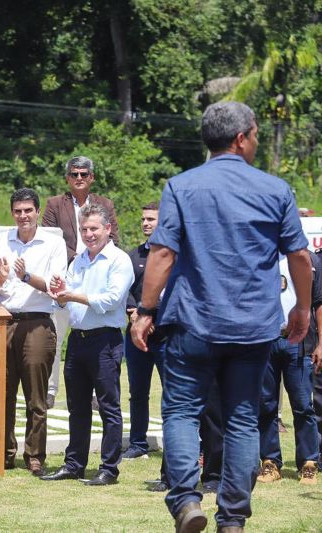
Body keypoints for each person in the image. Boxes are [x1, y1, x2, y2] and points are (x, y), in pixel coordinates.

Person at [131, 101, 312, 533]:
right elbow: (300, 257)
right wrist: (302, 308)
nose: (255, 140)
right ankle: (232, 518)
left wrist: (145, 310)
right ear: (241, 138)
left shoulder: (181, 187)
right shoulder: (275, 189)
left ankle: (187, 502)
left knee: (180, 414)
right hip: (253, 328)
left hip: (193, 324)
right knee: (243, 418)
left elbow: (162, 253)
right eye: (254, 133)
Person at [42, 203, 133, 486]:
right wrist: (59, 293)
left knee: (108, 407)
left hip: (104, 340)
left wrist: (72, 295)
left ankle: (109, 468)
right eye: (84, 230)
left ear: (107, 229)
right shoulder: (79, 259)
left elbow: (110, 301)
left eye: (94, 228)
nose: (89, 234)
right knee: (77, 407)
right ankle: (75, 464)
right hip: (78, 340)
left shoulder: (119, 260)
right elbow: (64, 300)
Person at [0, 188, 66, 476]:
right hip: (5, 321)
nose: (23, 216)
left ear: (37, 212)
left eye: (28, 210)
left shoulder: (53, 243)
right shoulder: (2, 240)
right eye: (18, 211)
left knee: (36, 395)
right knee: (3, 393)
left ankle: (35, 455)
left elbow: (57, 287)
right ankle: (3, 452)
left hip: (37, 322)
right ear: (12, 213)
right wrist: (2, 276)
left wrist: (26, 277)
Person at [41, 156, 119, 410]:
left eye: (84, 174)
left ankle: (98, 392)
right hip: (63, 277)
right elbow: (49, 240)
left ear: (92, 177)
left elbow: (113, 239)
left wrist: (91, 260)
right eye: (74, 174)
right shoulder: (54, 204)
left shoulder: (105, 204)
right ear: (67, 178)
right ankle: (50, 390)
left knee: (96, 336)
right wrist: (76, 260)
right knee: (56, 337)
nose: (79, 178)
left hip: (95, 279)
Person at [256, 254, 320, 485]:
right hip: (266, 341)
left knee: (303, 405)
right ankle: (270, 462)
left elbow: (319, 303)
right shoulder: (260, 256)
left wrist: (321, 343)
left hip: (299, 341)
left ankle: (308, 463)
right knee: (266, 405)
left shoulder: (308, 260)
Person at [122, 201, 163, 460]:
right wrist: (133, 313)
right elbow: (124, 289)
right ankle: (138, 444)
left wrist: (155, 315)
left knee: (174, 393)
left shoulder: (175, 255)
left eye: (151, 219)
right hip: (136, 334)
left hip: (166, 334)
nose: (146, 223)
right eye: (144, 219)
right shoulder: (132, 256)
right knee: (138, 391)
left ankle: (180, 443)